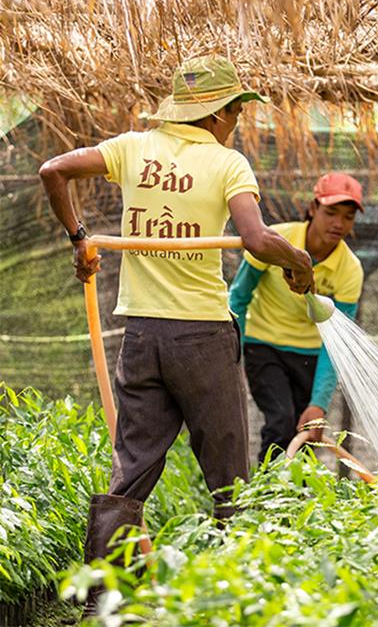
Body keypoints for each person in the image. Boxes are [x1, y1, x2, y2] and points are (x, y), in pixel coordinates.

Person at [38, 55, 313, 615]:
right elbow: (257, 239)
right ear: (216, 113)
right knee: (229, 472)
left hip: (141, 334)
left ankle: (101, 603)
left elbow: (53, 171)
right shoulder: (227, 163)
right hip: (203, 337)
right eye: (235, 109)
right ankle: (230, 596)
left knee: (131, 469)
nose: (236, 119)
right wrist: (299, 261)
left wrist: (79, 239)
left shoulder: (131, 148)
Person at [229, 172, 364, 462]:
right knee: (280, 422)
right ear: (313, 208)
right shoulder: (274, 241)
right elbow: (238, 298)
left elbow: (335, 344)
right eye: (331, 213)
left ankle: (298, 502)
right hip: (264, 346)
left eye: (348, 217)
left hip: (311, 357)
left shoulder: (350, 270)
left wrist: (319, 404)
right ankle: (267, 498)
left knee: (307, 434)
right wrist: (231, 358)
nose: (339, 224)